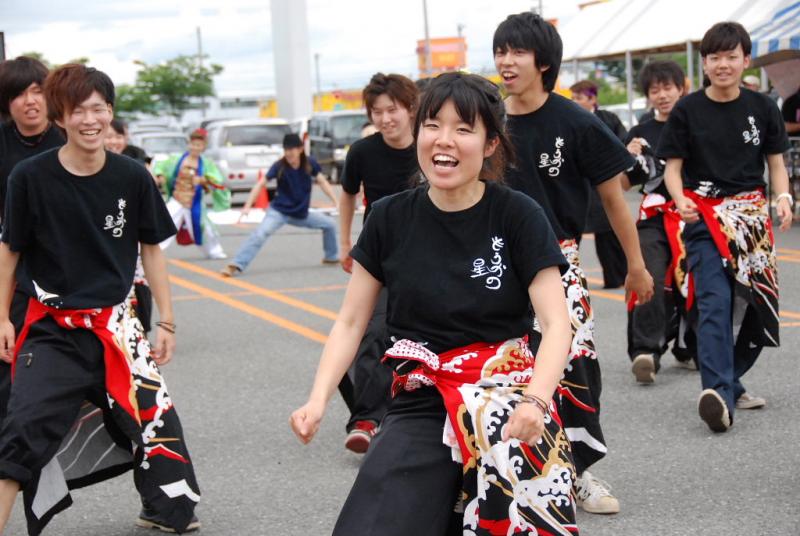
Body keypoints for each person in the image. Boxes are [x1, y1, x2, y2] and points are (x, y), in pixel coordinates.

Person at [291, 71, 576, 536]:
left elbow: (555, 323)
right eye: (433, 125)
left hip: (508, 400)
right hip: (422, 398)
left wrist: (536, 402)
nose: (445, 140)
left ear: (489, 145)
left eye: (464, 129)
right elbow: (350, 321)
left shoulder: (519, 214)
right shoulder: (388, 217)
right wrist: (318, 399)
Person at [0, 64, 200, 534]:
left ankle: (165, 508)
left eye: (99, 109)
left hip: (117, 324)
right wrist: (0, 319)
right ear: (59, 117)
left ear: (110, 111)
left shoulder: (131, 176)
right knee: (22, 427)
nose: (91, 120)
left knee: (155, 422)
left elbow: (151, 250)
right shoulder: (30, 177)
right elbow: (9, 252)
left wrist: (165, 322)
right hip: (53, 327)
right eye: (78, 111)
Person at [493, 12, 655, 515]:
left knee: (573, 365)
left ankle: (577, 472)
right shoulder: (485, 119)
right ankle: (500, 472)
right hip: (493, 261)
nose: (505, 61)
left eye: (517, 51)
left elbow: (613, 200)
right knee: (498, 366)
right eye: (500, 51)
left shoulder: (577, 123)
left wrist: (636, 265)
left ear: (543, 61)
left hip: (558, 262)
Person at [660, 22, 792, 432]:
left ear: (746, 61)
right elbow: (673, 170)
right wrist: (680, 199)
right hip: (704, 216)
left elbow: (776, 164)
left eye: (731, 56)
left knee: (759, 308)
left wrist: (783, 197)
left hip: (751, 219)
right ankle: (717, 391)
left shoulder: (763, 107)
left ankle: (731, 380)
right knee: (713, 301)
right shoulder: (687, 109)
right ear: (703, 63)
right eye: (714, 57)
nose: (723, 64)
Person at [336, 73, 419, 453]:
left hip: (427, 254)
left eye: (393, 110)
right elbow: (348, 196)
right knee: (371, 333)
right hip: (378, 257)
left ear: (410, 109)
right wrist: (345, 243)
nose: (386, 119)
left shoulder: (430, 146)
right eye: (377, 112)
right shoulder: (363, 153)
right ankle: (366, 419)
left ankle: (417, 413)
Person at [622, 60, 697, 383]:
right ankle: (645, 351)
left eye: (668, 88)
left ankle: (691, 344)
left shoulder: (696, 122)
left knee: (697, 279)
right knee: (649, 274)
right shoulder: (639, 132)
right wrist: (629, 157)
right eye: (655, 90)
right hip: (654, 216)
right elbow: (623, 185)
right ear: (648, 95)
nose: (663, 95)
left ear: (682, 88)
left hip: (695, 213)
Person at [0, 56, 65, 426]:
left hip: (62, 264)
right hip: (10, 257)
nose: (30, 101)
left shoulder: (65, 137)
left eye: (37, 91)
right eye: (19, 94)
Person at [220, 133, 339, 276]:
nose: (288, 154)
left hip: (300, 213)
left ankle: (331, 257)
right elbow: (260, 184)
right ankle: (237, 264)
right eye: (286, 150)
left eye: (292, 150)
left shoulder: (309, 163)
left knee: (329, 224)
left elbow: (322, 182)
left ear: (300, 149)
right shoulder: (279, 166)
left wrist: (336, 201)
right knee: (260, 234)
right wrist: (247, 206)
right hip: (278, 212)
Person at [570, 79, 628, 289]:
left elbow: (623, 142)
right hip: (578, 183)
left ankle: (616, 277)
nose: (574, 101)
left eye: (579, 97)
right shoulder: (570, 120)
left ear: (592, 99)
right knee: (569, 234)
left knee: (608, 234)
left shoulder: (607, 119)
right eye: (573, 97)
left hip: (603, 181)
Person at [154, 128, 230, 259]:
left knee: (204, 227)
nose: (195, 147)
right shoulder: (176, 159)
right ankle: (155, 251)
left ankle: (214, 251)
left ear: (203, 147)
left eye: (199, 145)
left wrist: (203, 180)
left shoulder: (206, 164)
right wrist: (160, 175)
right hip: (177, 198)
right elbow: (160, 166)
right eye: (193, 144)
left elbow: (217, 180)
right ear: (189, 144)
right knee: (165, 223)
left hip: (194, 201)